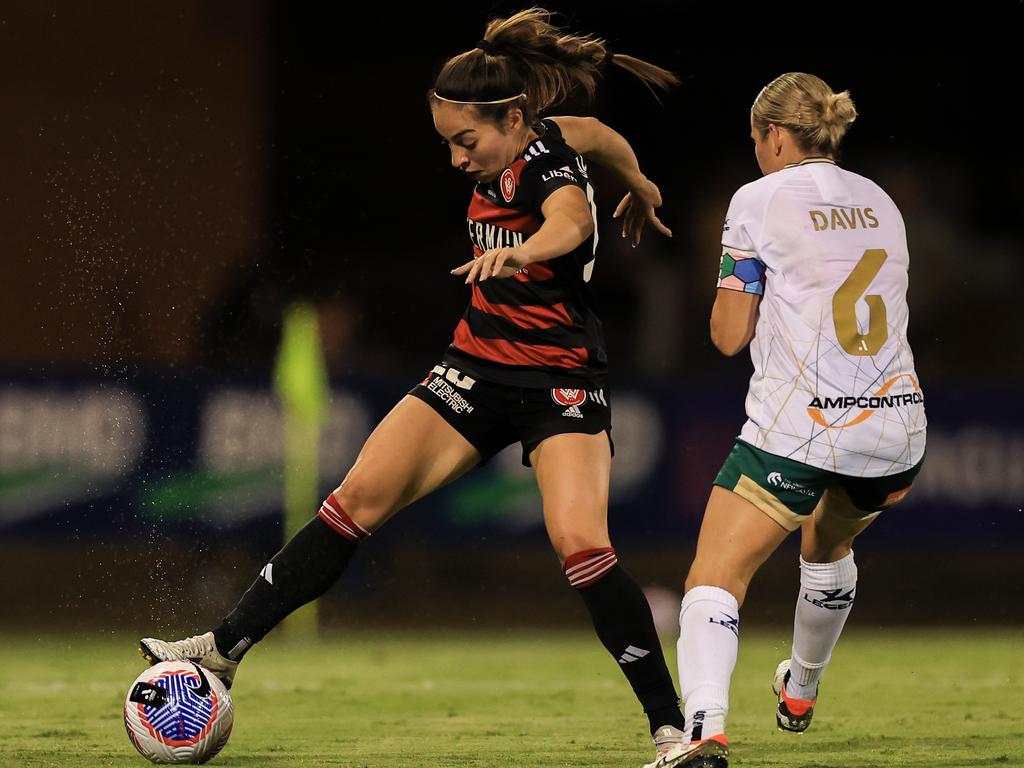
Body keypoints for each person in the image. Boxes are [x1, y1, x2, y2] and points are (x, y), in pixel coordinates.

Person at [139, 8, 687, 766]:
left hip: (558, 378)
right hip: (475, 367)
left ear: (514, 119)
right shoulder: (557, 133)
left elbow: (566, 221)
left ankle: (670, 729)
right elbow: (602, 136)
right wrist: (641, 183)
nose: (458, 158)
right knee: (353, 501)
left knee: (582, 545)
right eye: (448, 143)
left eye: (468, 141)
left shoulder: (546, 167)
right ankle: (225, 646)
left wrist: (524, 251)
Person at [663, 73, 927, 768]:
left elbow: (726, 335)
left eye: (756, 139)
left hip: (804, 428)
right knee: (827, 549)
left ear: (774, 136)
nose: (756, 152)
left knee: (715, 578)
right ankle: (801, 690)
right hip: (897, 430)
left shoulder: (757, 198)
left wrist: (734, 277)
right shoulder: (883, 200)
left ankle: (703, 733)